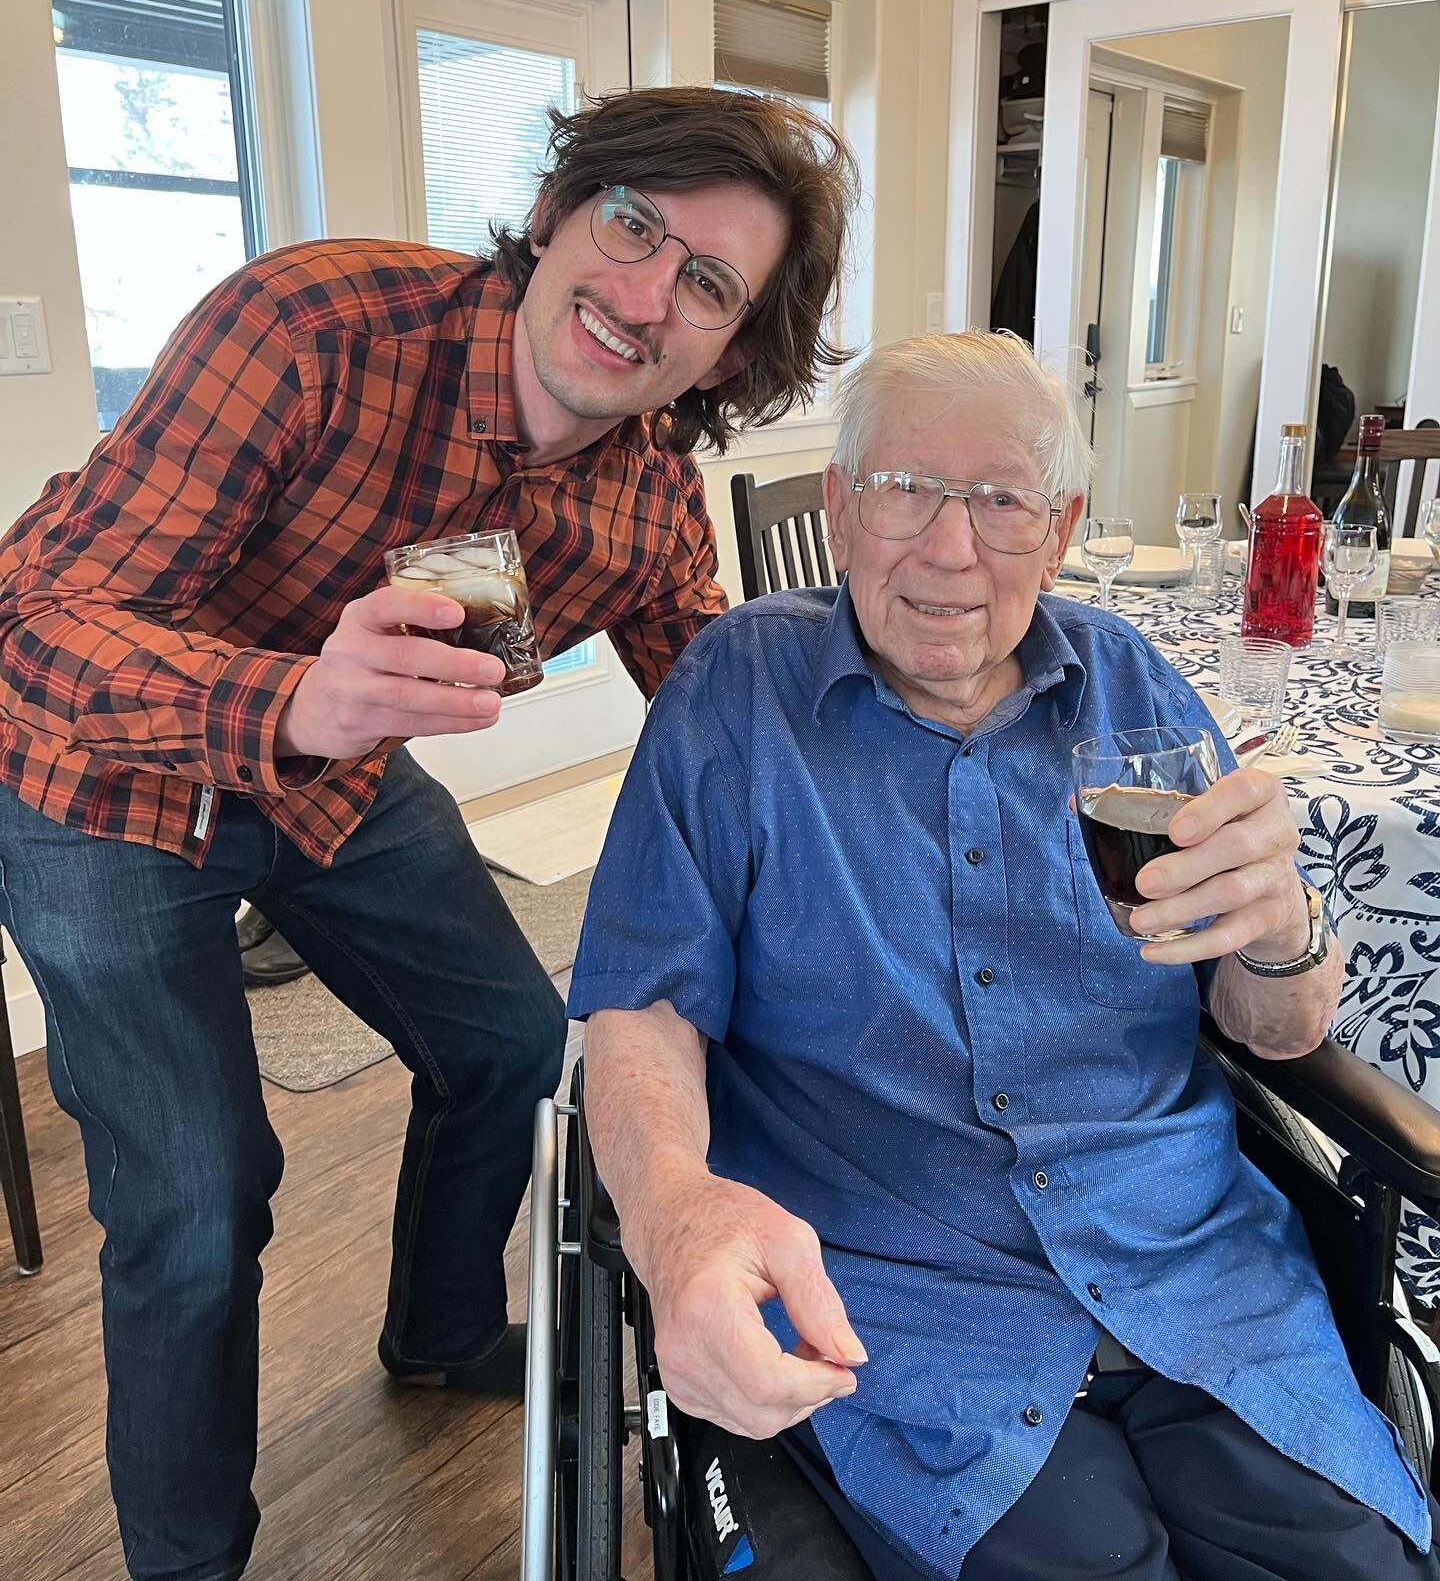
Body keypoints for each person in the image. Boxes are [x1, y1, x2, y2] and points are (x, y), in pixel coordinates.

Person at [0, 86, 857, 1581]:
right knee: (200, 1201)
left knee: (515, 1044)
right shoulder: (311, 328)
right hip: (99, 776)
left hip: (332, 784)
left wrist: (894, 788)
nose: (645, 293)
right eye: (633, 225)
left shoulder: (648, 502)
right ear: (555, 213)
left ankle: (445, 1329)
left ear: (735, 350)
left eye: (709, 284)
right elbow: (33, 622)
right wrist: (289, 699)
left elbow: (726, 721)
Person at [570, 331, 1438, 1581]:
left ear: (1062, 521)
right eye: (905, 491)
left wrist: (1286, 930)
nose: (948, 548)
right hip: (893, 1298)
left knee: (1356, 1564)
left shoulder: (1133, 688)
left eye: (999, 502)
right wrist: (671, 1214)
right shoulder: (736, 694)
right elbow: (643, 1001)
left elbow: (1272, 1031)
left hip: (1190, 1273)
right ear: (838, 503)